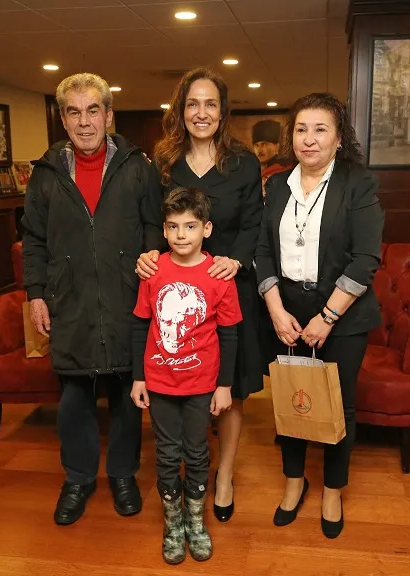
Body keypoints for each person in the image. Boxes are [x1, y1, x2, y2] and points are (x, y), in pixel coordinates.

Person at [21, 72, 164, 526]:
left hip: (126, 297)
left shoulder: (138, 167)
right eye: (74, 112)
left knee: (126, 394)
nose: (84, 122)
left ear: (108, 115)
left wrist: (150, 264)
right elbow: (33, 239)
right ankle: (78, 478)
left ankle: (123, 474)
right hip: (70, 299)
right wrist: (36, 295)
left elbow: (154, 227)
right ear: (63, 119)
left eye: (93, 110)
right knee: (74, 398)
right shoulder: (45, 174)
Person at [135, 67, 264, 523]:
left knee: (230, 388)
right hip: (175, 288)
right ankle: (183, 478)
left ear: (223, 111)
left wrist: (238, 261)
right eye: (193, 104)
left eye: (211, 104)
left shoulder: (243, 163)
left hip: (227, 284)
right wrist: (149, 252)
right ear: (181, 111)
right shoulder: (163, 163)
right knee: (180, 378)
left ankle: (223, 475)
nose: (201, 112)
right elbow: (151, 219)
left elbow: (254, 223)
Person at [255, 92, 384, 539]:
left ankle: (332, 489)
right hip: (287, 314)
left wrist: (327, 317)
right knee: (292, 397)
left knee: (338, 404)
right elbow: (262, 250)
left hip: (343, 315)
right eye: (301, 129)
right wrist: (276, 310)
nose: (309, 139)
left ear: (339, 137)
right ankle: (295, 482)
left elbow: (366, 259)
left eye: (320, 129)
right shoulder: (276, 185)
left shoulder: (357, 183)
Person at [131, 187, 241, 564]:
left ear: (206, 229)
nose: (181, 235)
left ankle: (195, 521)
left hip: (201, 384)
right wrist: (139, 377)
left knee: (196, 452)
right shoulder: (153, 271)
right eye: (173, 226)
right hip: (159, 383)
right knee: (166, 454)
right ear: (164, 230)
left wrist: (224, 385)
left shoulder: (219, 276)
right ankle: (173, 523)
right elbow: (140, 325)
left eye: (190, 226)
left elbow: (229, 334)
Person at [251, 119, 292, 197]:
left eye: (264, 144)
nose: (259, 150)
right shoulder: (253, 171)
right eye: (256, 145)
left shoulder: (285, 171)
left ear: (276, 146)